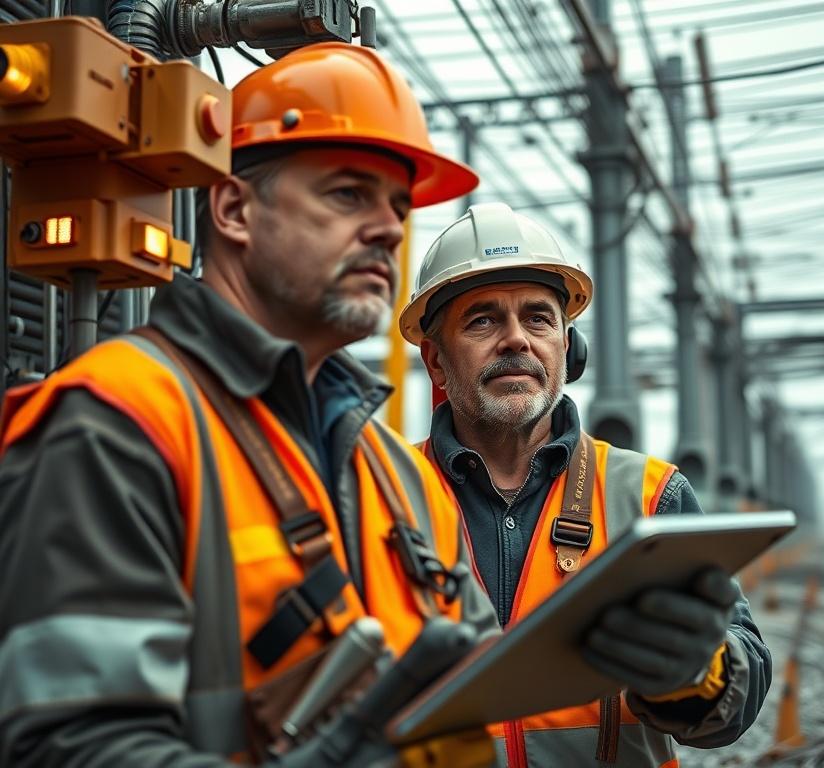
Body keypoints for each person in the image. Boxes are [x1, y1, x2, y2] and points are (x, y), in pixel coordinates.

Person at [0, 43, 497, 766]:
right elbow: (67, 746)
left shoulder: (403, 475)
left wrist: (618, 662)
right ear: (234, 209)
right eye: (347, 195)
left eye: (396, 206)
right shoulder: (115, 421)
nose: (390, 229)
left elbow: (485, 684)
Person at [398, 202, 773, 767]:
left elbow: (739, 694)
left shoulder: (650, 497)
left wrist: (698, 670)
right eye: (482, 321)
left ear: (568, 349)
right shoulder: (381, 494)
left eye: (538, 318)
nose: (516, 340)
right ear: (435, 361)